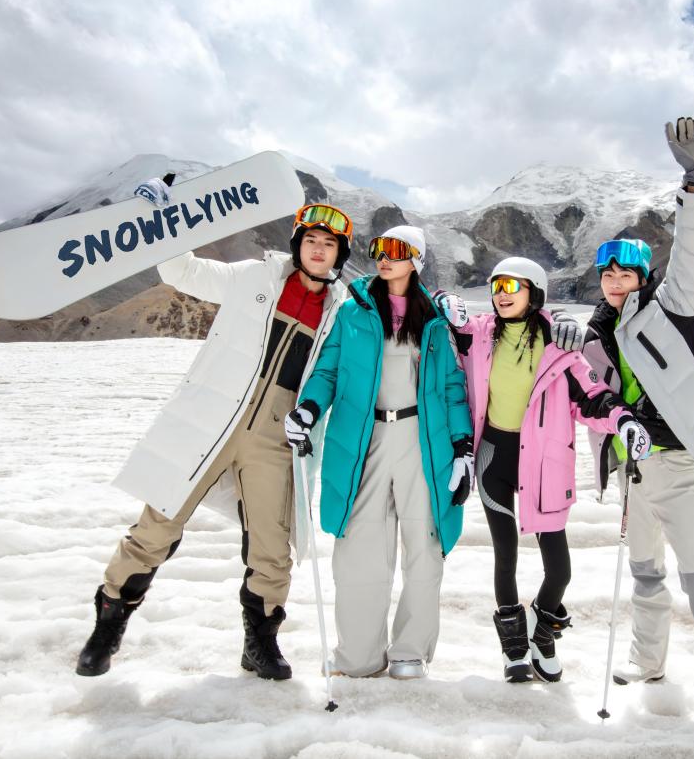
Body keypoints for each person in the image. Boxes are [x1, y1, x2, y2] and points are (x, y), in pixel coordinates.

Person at [76, 196, 356, 682]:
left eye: (328, 245)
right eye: (310, 239)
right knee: (157, 525)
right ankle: (107, 628)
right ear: (297, 244)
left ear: (339, 255)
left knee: (272, 546)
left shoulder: (344, 310)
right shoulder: (253, 277)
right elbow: (180, 271)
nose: (317, 249)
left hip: (275, 435)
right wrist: (164, 221)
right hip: (212, 422)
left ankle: (260, 643)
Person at [582, 118, 694, 738]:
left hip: (675, 464)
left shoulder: (671, 307)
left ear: (643, 278)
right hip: (632, 470)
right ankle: (648, 660)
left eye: (625, 273)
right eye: (606, 274)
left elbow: (691, 254)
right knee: (646, 573)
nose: (614, 282)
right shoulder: (596, 333)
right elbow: (592, 395)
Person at [434, 259, 650, 683]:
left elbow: (591, 396)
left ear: (534, 292)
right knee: (506, 556)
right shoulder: (478, 334)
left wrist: (622, 420)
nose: (501, 294)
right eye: (496, 286)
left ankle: (543, 631)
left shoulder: (558, 343)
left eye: (512, 286)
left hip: (545, 462)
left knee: (559, 570)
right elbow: (439, 312)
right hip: (494, 456)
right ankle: (513, 648)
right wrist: (444, 298)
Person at [284, 225, 473, 680]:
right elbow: (328, 371)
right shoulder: (353, 311)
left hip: (421, 440)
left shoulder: (435, 320)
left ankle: (410, 651)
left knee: (424, 546)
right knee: (359, 548)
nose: (383, 258)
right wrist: (309, 408)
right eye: (379, 249)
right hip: (363, 440)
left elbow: (452, 386)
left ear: (417, 260)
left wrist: (463, 447)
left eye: (396, 251)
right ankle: (359, 654)